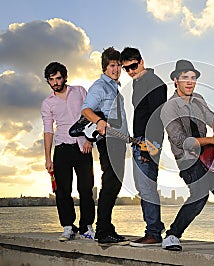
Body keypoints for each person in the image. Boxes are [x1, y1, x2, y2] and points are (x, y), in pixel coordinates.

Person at [160, 59, 214, 251]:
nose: (190, 81)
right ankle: (172, 236)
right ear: (175, 80)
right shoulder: (169, 107)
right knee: (199, 195)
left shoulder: (198, 99)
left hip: (208, 157)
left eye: (193, 78)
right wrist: (213, 141)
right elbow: (182, 141)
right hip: (188, 159)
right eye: (185, 78)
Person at [41, 62, 95, 241]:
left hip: (83, 147)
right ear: (48, 81)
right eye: (51, 79)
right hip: (62, 149)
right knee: (62, 191)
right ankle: (67, 227)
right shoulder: (47, 103)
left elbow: (91, 115)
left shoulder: (79, 91)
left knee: (86, 188)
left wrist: (89, 139)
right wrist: (48, 158)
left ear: (65, 77)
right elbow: (48, 130)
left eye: (58, 78)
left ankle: (87, 226)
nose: (55, 82)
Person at [81, 47, 129, 245]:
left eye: (118, 65)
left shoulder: (115, 88)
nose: (116, 69)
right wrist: (99, 122)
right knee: (110, 182)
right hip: (108, 139)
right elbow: (86, 109)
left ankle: (107, 227)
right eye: (112, 65)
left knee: (115, 183)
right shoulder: (100, 86)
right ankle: (102, 231)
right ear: (105, 67)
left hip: (118, 139)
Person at [120, 47, 167, 247]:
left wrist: (151, 146)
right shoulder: (138, 84)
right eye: (126, 69)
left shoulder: (154, 83)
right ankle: (154, 228)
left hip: (148, 143)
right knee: (144, 187)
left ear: (141, 61)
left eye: (133, 66)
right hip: (139, 141)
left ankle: (154, 233)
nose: (130, 71)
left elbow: (158, 117)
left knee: (146, 188)